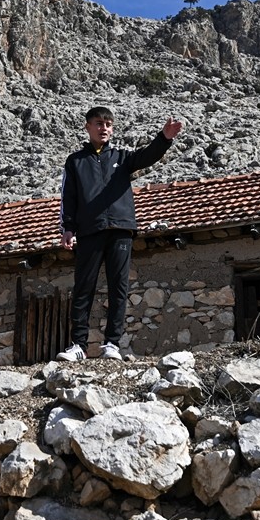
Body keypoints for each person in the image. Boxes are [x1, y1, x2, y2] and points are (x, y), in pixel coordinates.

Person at [57, 106, 183, 361]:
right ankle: (78, 346)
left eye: (108, 124)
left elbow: (147, 156)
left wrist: (165, 138)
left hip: (121, 229)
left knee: (118, 288)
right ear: (88, 127)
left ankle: (112, 344)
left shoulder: (122, 158)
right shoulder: (75, 162)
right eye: (98, 123)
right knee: (83, 288)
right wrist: (68, 228)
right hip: (90, 231)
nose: (104, 128)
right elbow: (68, 197)